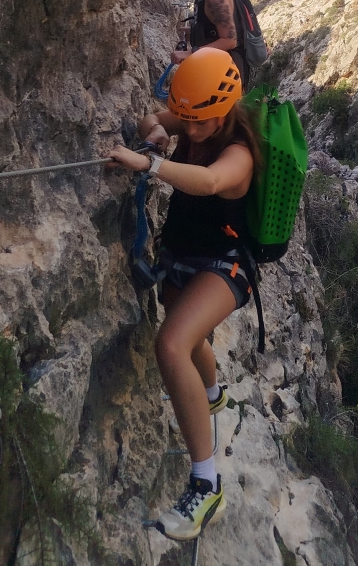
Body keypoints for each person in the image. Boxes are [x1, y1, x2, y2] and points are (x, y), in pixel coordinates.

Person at [105, 48, 262, 541]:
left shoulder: (238, 151)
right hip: (182, 253)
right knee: (191, 342)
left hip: (226, 264)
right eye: (188, 122)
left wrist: (150, 166)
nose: (191, 131)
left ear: (225, 109)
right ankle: (212, 396)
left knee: (171, 343)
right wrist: (156, 132)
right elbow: (155, 116)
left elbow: (209, 180)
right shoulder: (197, 116)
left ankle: (205, 483)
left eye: (200, 123)